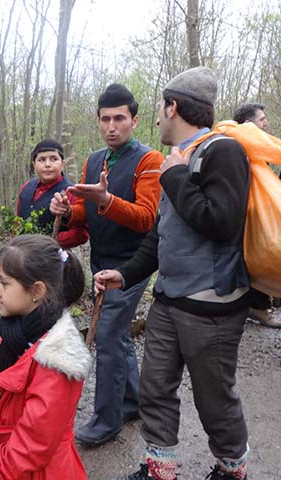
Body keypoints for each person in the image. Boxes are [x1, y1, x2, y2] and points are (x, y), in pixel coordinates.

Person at [99, 66, 251, 480]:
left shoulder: (224, 152)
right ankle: (160, 468)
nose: (159, 117)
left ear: (173, 106)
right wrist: (126, 274)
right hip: (168, 301)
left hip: (212, 307)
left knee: (214, 398)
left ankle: (230, 467)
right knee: (155, 390)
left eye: (161, 108)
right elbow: (161, 235)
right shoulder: (176, 160)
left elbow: (221, 222)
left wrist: (177, 176)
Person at [49, 84, 163, 448]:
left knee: (110, 337)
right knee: (118, 336)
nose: (112, 126)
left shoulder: (150, 161)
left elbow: (146, 218)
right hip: (101, 258)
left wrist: (107, 199)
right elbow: (86, 212)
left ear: (134, 120)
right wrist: (68, 212)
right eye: (105, 119)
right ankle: (132, 403)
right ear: (98, 121)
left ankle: (106, 419)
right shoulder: (95, 160)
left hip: (132, 263)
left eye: (119, 118)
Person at [0, 234, 92, 480]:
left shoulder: (56, 361)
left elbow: (33, 445)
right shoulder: (10, 336)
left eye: (4, 283)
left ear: (36, 291)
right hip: (1, 467)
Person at [233, 103, 281, 328]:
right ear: (248, 124)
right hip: (245, 215)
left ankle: (258, 305)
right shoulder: (242, 140)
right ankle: (258, 307)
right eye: (262, 119)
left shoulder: (254, 144)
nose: (266, 123)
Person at [16, 139, 89, 248]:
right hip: (23, 255)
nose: (47, 164)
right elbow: (17, 222)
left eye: (54, 159)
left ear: (63, 164)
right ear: (34, 164)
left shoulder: (71, 192)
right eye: (41, 160)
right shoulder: (26, 187)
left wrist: (50, 241)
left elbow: (81, 234)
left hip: (54, 258)